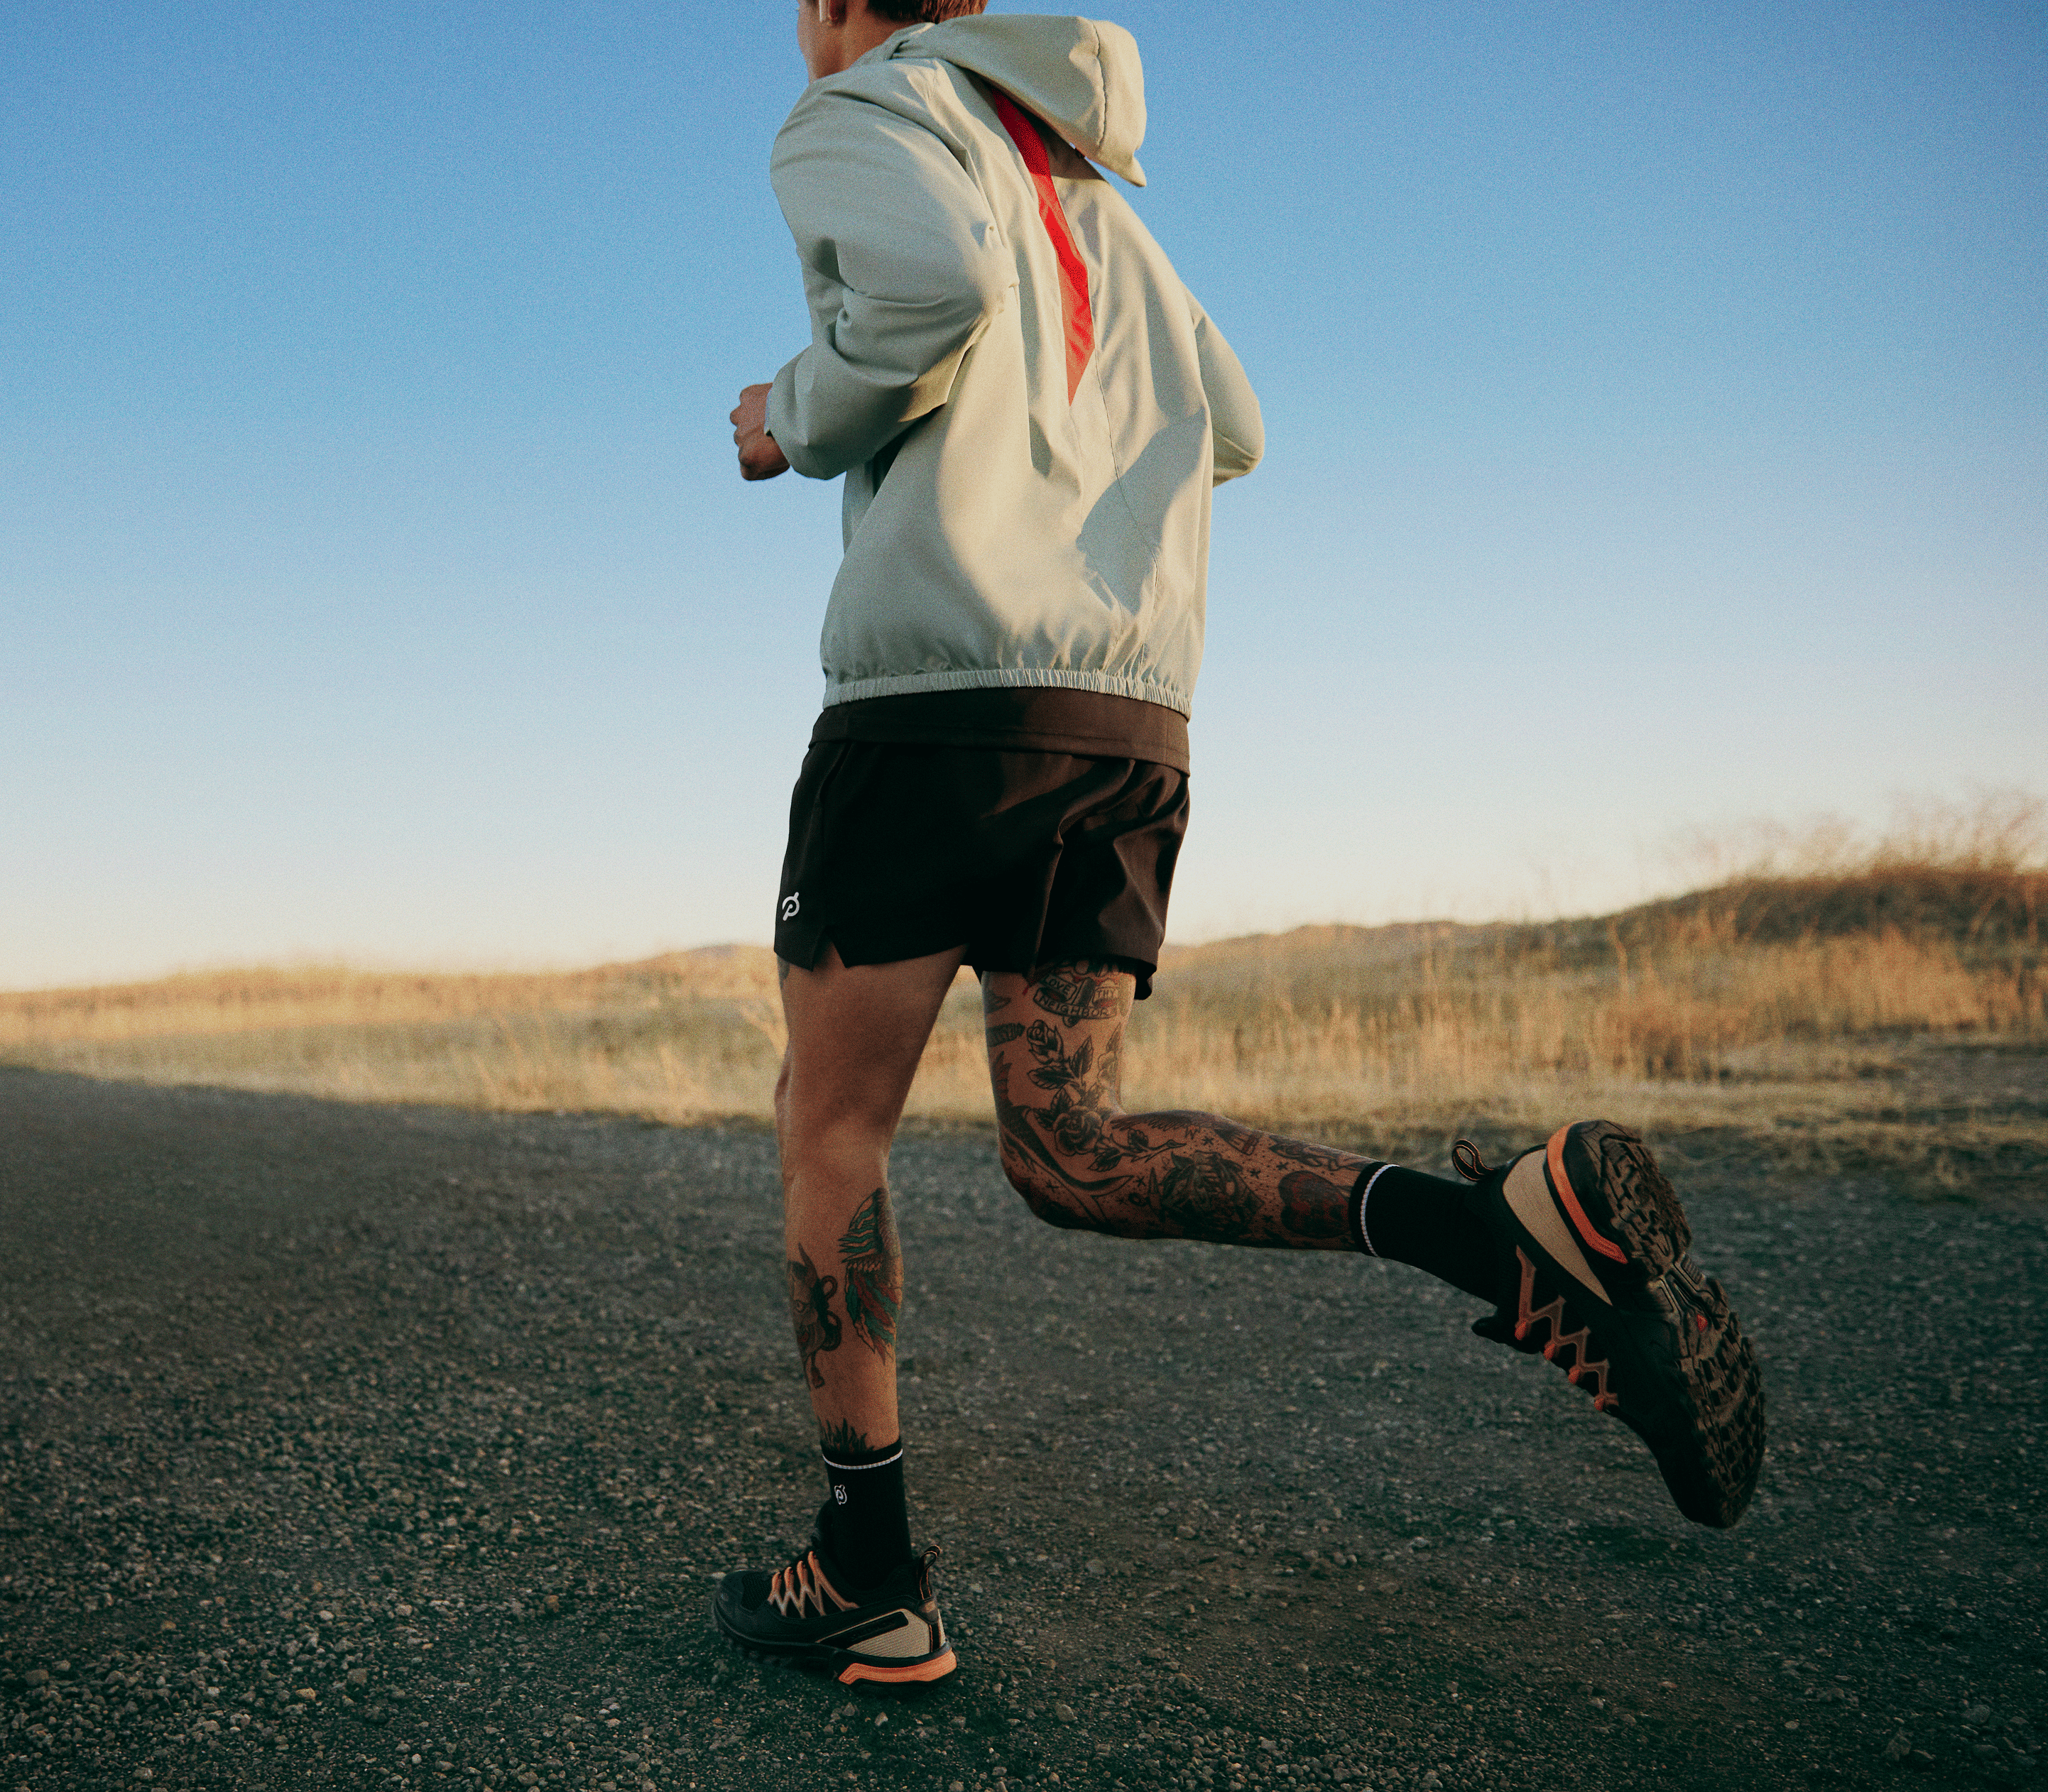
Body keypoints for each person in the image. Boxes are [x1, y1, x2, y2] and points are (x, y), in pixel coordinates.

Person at [709, 0, 1766, 1688]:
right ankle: (1494, 1223)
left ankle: (869, 1568)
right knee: (1068, 1145)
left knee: (827, 1126)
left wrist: (795, 413)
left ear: (847, 6)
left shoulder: (856, 115)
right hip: (1122, 720)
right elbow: (1238, 421)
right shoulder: (1105, 194)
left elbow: (928, 298)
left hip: (936, 708)